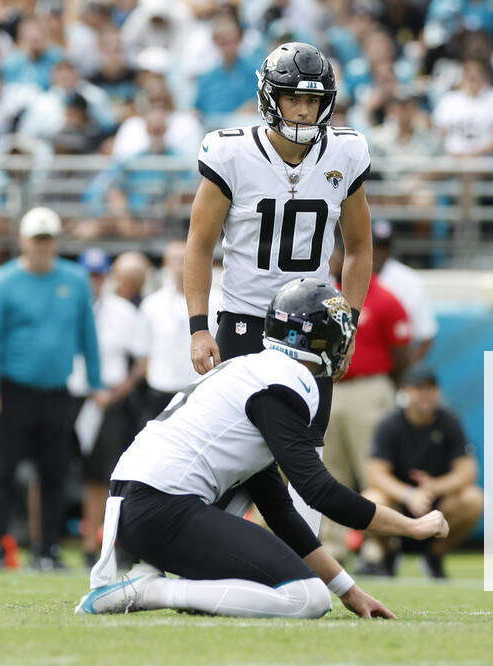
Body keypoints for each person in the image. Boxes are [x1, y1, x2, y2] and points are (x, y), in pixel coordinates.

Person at [76, 278, 448, 618]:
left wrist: (349, 591)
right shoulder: (282, 383)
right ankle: (151, 591)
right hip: (161, 505)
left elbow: (279, 509)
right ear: (319, 340)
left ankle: (156, 585)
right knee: (306, 599)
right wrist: (411, 526)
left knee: (303, 589)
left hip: (143, 504)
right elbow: (318, 490)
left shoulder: (254, 372)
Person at [185, 41, 373, 437]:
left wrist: (349, 325)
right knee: (234, 454)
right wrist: (199, 327)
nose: (303, 110)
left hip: (313, 322)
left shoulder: (346, 152)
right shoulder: (230, 152)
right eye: (292, 98)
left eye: (312, 99)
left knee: (307, 452)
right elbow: (200, 245)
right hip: (245, 319)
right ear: (271, 97)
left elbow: (358, 246)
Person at [0, 207, 107, 571]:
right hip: (12, 389)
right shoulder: (3, 283)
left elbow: (87, 335)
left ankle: (47, 549)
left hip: (56, 391)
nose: (43, 246)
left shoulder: (75, 280)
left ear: (55, 242)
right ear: (23, 241)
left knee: (55, 472)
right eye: (37, 239)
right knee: (1, 470)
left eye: (48, 239)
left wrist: (96, 381)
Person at [319, 241, 411, 560]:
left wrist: (384, 385)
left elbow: (402, 353)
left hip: (369, 387)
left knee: (372, 469)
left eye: (336, 253)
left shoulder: (383, 298)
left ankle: (379, 544)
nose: (331, 259)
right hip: (332, 386)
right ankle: (334, 545)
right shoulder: (324, 295)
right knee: (330, 469)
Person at [361, 367, 482, 579]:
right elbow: (376, 474)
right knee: (370, 499)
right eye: (419, 388)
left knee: (474, 500)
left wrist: (434, 487)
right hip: (399, 504)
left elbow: (468, 471)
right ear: (405, 391)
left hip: (438, 504)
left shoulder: (449, 422)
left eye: (431, 389)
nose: (425, 394)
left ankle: (433, 556)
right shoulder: (390, 424)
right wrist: (409, 494)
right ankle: (389, 553)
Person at [68, 248, 148, 568]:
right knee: (54, 471)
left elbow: (142, 359)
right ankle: (44, 542)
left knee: (101, 477)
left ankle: (95, 543)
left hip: (108, 400)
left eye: (98, 275)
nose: (93, 282)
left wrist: (118, 392)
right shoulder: (67, 306)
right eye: (89, 275)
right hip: (70, 396)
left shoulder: (122, 312)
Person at [139, 241, 214, 426]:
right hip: (160, 388)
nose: (180, 265)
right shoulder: (151, 304)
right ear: (165, 264)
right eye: (174, 259)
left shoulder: (217, 301)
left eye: (184, 259)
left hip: (199, 390)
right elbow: (143, 351)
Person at [372, 221, 438, 364]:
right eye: (374, 247)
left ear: (390, 250)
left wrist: (407, 372)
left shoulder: (409, 281)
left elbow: (427, 335)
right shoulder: (348, 275)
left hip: (399, 358)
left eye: (383, 248)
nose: (378, 253)